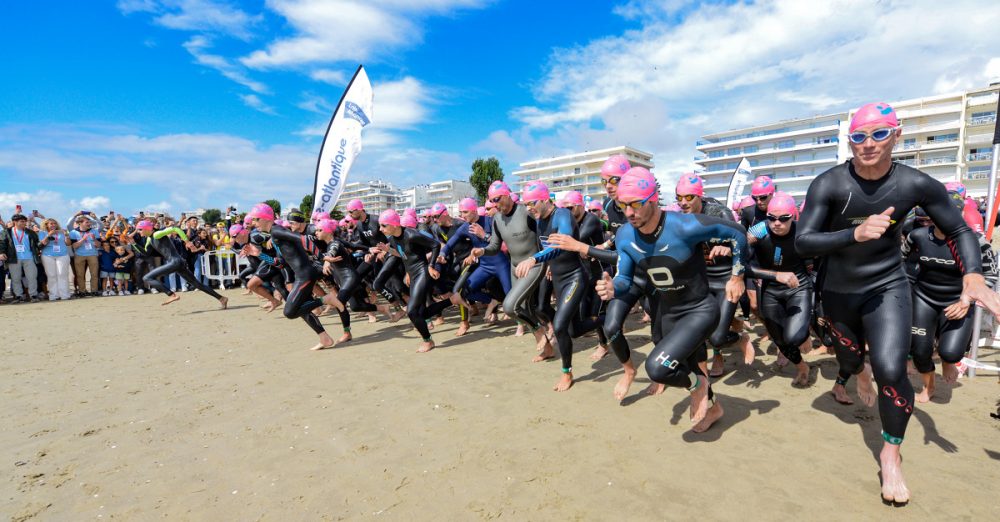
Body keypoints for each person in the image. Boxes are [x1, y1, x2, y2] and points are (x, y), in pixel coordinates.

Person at [795, 101, 1000, 504]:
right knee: (851, 363)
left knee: (891, 368)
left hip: (887, 286)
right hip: (837, 290)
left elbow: (958, 228)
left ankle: (891, 453)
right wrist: (852, 236)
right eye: (858, 136)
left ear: (896, 135)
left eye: (878, 134)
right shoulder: (829, 184)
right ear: (849, 141)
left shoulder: (915, 185)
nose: (867, 144)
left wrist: (973, 276)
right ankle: (859, 373)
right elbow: (804, 241)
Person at [595, 167, 748, 431]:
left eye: (635, 204)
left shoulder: (686, 226)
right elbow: (624, 278)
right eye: (623, 205)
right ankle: (713, 407)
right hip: (668, 312)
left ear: (653, 200)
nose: (629, 213)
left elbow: (738, 233)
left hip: (699, 310)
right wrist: (614, 289)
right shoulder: (624, 236)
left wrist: (737, 276)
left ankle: (699, 387)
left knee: (658, 368)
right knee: (687, 364)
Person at [903, 191, 997, 402]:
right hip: (924, 299)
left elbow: (990, 275)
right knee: (919, 352)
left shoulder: (976, 241)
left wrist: (968, 299)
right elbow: (901, 263)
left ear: (961, 214)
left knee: (951, 353)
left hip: (959, 302)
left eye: (953, 213)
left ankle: (947, 361)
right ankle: (929, 385)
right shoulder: (916, 236)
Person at [675, 173, 754, 377]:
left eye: (689, 197)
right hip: (702, 279)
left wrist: (729, 247)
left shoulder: (719, 213)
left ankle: (740, 338)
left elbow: (746, 247)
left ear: (700, 196)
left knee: (718, 336)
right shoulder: (681, 217)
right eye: (679, 197)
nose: (683, 202)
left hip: (726, 278)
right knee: (701, 328)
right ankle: (716, 357)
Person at [467, 181, 552, 356]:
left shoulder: (526, 212)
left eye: (497, 199)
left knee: (510, 306)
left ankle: (540, 330)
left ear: (507, 195)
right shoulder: (497, 219)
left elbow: (545, 238)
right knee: (525, 309)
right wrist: (482, 251)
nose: (495, 204)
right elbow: (495, 247)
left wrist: (548, 262)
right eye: (491, 201)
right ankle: (547, 348)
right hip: (515, 267)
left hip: (534, 264)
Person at [245, 203, 340, 350]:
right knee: (303, 309)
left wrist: (324, 257)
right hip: (301, 275)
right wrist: (259, 254)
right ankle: (325, 338)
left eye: (256, 219)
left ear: (265, 219)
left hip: (305, 275)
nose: (253, 223)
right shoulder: (275, 234)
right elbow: (281, 263)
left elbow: (304, 240)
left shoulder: (276, 231)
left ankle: (326, 299)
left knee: (289, 312)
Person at [746, 195, 812, 387]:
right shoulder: (758, 231)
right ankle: (802, 367)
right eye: (771, 218)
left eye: (783, 218)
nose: (776, 223)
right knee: (780, 340)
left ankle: (805, 331)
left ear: (793, 216)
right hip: (771, 289)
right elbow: (742, 265)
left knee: (794, 337)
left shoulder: (804, 230)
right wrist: (775, 275)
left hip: (798, 287)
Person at [378, 209, 453, 352]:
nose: (381, 229)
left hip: (422, 272)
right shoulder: (393, 238)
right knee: (422, 313)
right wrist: (388, 251)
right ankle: (453, 299)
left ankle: (428, 340)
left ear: (394, 225)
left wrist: (431, 266)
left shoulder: (411, 235)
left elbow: (435, 245)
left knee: (412, 311)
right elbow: (403, 255)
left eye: (384, 225)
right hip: (413, 275)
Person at [135, 220, 229, 309]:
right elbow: (146, 253)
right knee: (197, 285)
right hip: (178, 263)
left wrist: (187, 242)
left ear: (147, 228)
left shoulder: (156, 234)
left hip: (174, 262)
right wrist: (133, 243)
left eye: (140, 229)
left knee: (147, 278)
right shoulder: (149, 239)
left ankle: (172, 295)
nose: (138, 232)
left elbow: (175, 229)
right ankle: (222, 298)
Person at [7, 214, 41, 302]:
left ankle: (33, 295)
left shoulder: (30, 232)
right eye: (22, 221)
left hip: (29, 257)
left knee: (32, 277)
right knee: (15, 278)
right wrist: (2, 252)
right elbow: (3, 243)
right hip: (14, 258)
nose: (24, 223)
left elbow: (37, 243)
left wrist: (42, 244)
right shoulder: (7, 232)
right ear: (15, 222)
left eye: (25, 221)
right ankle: (19, 296)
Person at [38, 218, 73, 300]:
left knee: (62, 274)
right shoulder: (42, 232)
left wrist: (67, 235)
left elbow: (68, 244)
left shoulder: (62, 232)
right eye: (51, 223)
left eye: (55, 223)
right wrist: (49, 235)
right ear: (46, 225)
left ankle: (65, 294)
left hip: (62, 254)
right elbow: (42, 243)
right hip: (47, 255)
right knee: (51, 275)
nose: (53, 225)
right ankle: (54, 295)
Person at [68, 212, 102, 297]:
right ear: (80, 223)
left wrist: (94, 239)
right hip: (79, 255)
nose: (89, 224)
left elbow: (99, 245)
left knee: (94, 274)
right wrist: (83, 239)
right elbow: (74, 246)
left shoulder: (94, 231)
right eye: (87, 222)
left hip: (93, 254)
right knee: (80, 274)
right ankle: (82, 291)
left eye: (89, 222)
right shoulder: (73, 232)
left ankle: (94, 291)